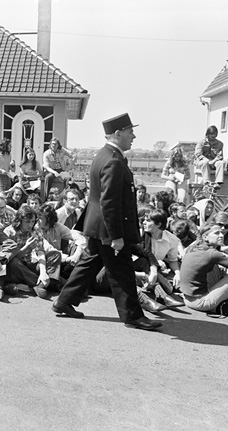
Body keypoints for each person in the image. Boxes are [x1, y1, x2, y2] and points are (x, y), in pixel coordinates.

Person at [51, 113, 162, 330]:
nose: (134, 136)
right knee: (123, 272)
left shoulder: (105, 155)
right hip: (108, 229)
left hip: (98, 225)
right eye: (130, 131)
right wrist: (116, 236)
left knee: (88, 264)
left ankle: (64, 302)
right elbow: (109, 202)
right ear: (118, 133)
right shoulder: (113, 160)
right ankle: (133, 316)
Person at [3, 205, 62, 298]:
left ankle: (35, 283)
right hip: (14, 268)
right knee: (14, 263)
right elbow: (9, 258)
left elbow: (41, 252)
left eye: (33, 221)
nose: (30, 225)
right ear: (20, 220)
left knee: (55, 255)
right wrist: (26, 248)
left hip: (28, 265)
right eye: (27, 222)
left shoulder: (35, 231)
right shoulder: (9, 232)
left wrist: (43, 272)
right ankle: (40, 284)